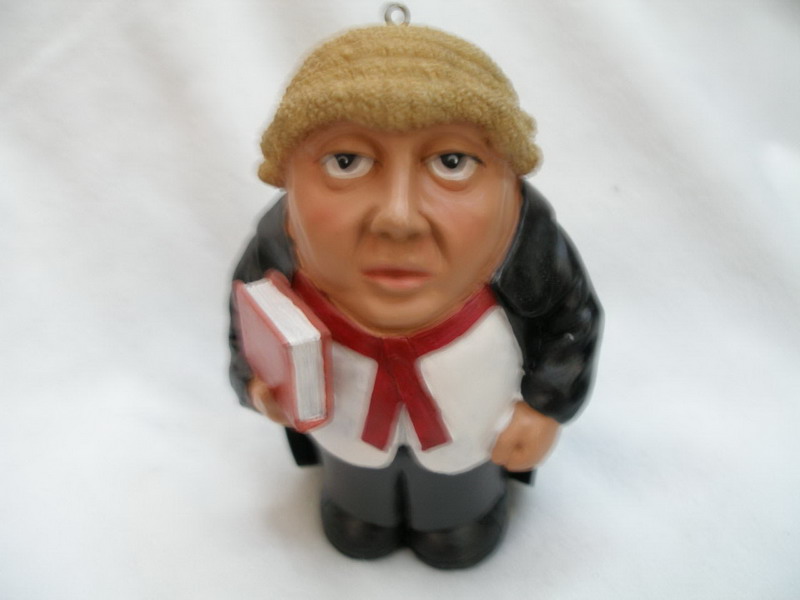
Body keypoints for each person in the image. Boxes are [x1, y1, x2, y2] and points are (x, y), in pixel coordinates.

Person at [228, 20, 602, 569]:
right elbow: (246, 317)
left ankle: (456, 515)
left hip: (471, 425)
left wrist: (544, 406)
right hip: (343, 423)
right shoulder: (274, 248)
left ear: (510, 189)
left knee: (457, 515)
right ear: (289, 183)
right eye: (346, 162)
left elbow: (570, 321)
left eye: (452, 162)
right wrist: (259, 382)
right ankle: (362, 509)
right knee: (357, 507)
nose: (398, 218)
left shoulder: (533, 249)